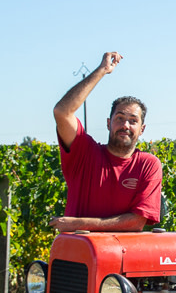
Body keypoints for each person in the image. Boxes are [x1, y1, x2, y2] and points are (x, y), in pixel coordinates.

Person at [50, 51, 162, 232]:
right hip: (76, 253)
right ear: (108, 123)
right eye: (119, 118)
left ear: (142, 129)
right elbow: (62, 112)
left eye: (133, 120)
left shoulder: (147, 165)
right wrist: (102, 70)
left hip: (122, 256)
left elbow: (136, 222)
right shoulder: (84, 153)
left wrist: (78, 224)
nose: (125, 125)